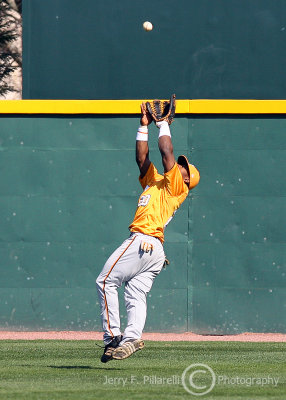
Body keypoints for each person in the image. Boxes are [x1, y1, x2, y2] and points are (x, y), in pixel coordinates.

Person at [96, 102, 200, 362]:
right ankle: (131, 338)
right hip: (154, 250)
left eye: (184, 167)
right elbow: (142, 159)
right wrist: (143, 126)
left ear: (186, 179)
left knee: (106, 280)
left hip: (144, 240)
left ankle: (112, 337)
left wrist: (162, 124)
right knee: (134, 293)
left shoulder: (177, 187)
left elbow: (166, 153)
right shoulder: (155, 182)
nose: (180, 166)